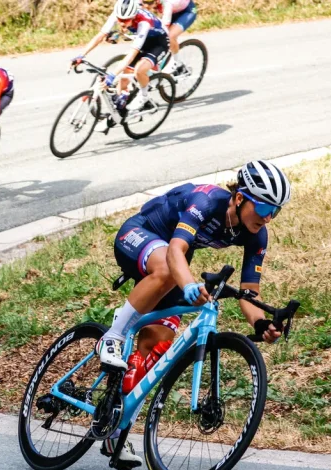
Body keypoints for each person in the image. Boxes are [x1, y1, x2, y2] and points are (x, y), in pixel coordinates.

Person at [98, 159, 291, 372]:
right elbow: (175, 250)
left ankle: (117, 399)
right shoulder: (206, 201)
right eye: (264, 208)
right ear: (238, 198)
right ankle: (112, 336)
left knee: (156, 346)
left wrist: (260, 323)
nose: (268, 218)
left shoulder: (257, 235)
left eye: (275, 211)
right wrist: (189, 284)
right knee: (167, 269)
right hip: (141, 233)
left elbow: (250, 292)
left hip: (172, 257)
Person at [71, 0, 170, 114]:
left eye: (126, 20)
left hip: (158, 43)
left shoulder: (144, 23)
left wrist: (112, 75)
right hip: (143, 39)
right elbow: (100, 35)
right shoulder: (118, 13)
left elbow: (132, 54)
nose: (122, 23)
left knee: (139, 70)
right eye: (120, 20)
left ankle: (144, 97)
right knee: (124, 78)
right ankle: (118, 114)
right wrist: (81, 55)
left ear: (133, 16)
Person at [147, 0, 198, 75]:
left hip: (187, 12)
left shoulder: (167, 4)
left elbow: (164, 28)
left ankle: (177, 64)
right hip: (173, 11)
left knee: (170, 36)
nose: (146, 5)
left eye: (149, 3)